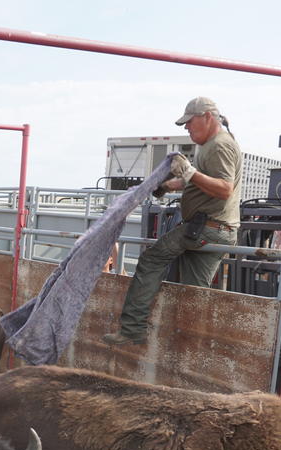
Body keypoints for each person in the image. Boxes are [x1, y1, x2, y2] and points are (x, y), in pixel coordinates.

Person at [102, 97, 242, 345]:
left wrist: (188, 171)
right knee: (193, 288)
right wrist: (168, 185)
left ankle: (132, 329)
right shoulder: (213, 145)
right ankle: (194, 342)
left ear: (208, 117)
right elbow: (198, 182)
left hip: (206, 228)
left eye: (190, 122)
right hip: (214, 227)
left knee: (151, 259)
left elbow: (224, 189)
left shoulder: (219, 146)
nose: (187, 128)